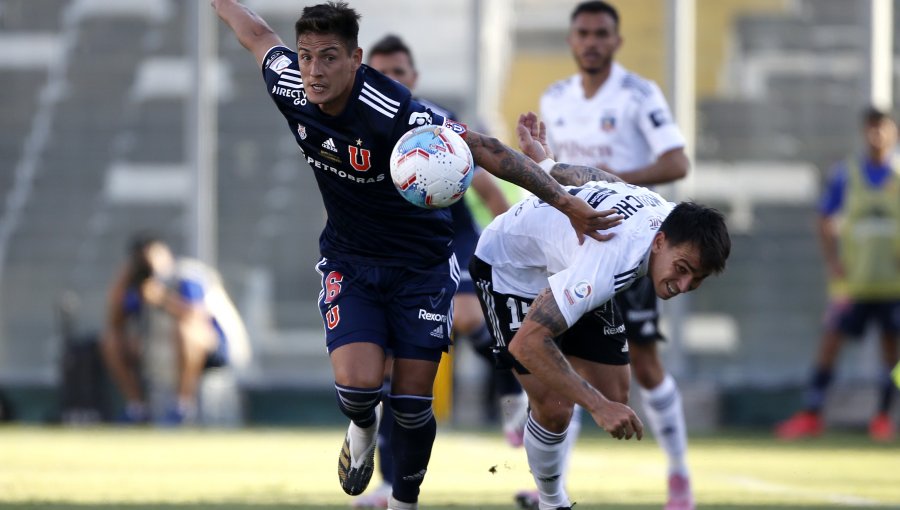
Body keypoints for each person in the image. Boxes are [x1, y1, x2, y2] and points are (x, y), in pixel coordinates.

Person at [211, 3, 619, 508]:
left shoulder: (397, 111)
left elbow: (486, 150)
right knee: (360, 389)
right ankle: (361, 428)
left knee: (410, 404)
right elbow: (255, 32)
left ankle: (404, 501)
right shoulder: (292, 85)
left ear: (356, 59)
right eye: (306, 57)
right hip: (350, 262)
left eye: (329, 58)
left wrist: (563, 202)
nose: (314, 71)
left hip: (420, 268)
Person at [469, 112, 730, 510]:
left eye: (696, 279)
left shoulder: (666, 213)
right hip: (510, 267)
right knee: (557, 406)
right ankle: (552, 500)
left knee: (617, 391)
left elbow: (605, 181)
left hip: (569, 263)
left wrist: (549, 165)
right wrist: (596, 406)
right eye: (681, 270)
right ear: (659, 243)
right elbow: (527, 344)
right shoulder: (614, 259)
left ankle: (554, 392)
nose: (682, 286)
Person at [530, 2, 695, 510]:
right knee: (566, 358)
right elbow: (549, 170)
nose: (592, 42)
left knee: (643, 365)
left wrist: (614, 183)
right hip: (574, 248)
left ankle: (678, 472)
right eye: (583, 33)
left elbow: (677, 161)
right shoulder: (553, 99)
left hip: (634, 245)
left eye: (602, 33)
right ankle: (551, 487)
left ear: (617, 41)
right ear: (571, 40)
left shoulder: (639, 95)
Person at [354, 34, 524, 509]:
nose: (390, 81)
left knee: (468, 315)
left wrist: (506, 248)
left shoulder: (432, 124)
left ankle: (514, 398)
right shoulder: (355, 126)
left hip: (454, 238)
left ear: (414, 79)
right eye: (381, 72)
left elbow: (490, 192)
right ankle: (389, 484)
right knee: (390, 369)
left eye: (399, 73)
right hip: (393, 252)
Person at [775, 107, 900, 442]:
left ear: (894, 134)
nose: (876, 136)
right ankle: (812, 413)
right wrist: (833, 261)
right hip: (854, 282)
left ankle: (885, 416)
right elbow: (824, 218)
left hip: (893, 283)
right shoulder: (847, 174)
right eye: (871, 129)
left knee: (894, 352)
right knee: (830, 342)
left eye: (883, 129)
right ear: (864, 133)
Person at [100, 233, 250, 425]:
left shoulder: (186, 274)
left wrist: (162, 300)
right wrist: (123, 281)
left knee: (185, 330)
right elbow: (114, 322)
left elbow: (197, 316)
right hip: (160, 350)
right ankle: (137, 408)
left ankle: (182, 406)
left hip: (211, 347)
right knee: (112, 341)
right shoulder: (142, 284)